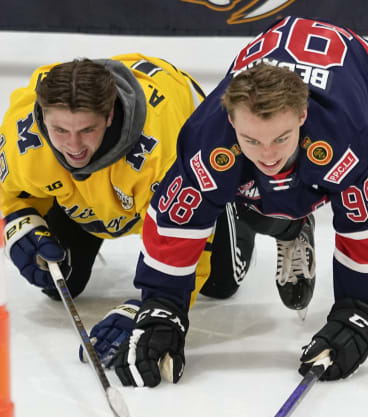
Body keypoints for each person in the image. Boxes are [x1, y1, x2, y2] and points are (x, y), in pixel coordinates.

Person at [109, 16, 368, 387]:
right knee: (255, 198)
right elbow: (175, 226)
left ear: (302, 114)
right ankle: (292, 224)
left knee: (363, 203)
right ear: (230, 119)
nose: (267, 156)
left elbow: (366, 231)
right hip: (279, 108)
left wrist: (356, 312)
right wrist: (162, 308)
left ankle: (297, 213)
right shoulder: (206, 139)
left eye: (281, 137)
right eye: (252, 140)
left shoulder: (348, 139)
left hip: (362, 72)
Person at [0, 52, 220, 360]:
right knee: (59, 281)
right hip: (91, 202)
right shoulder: (24, 136)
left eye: (87, 130)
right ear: (42, 116)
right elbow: (14, 192)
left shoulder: (165, 152)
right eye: (60, 130)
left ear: (110, 116)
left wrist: (148, 308)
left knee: (219, 283)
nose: (73, 148)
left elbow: (183, 239)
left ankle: (275, 222)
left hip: (190, 185)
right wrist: (22, 222)